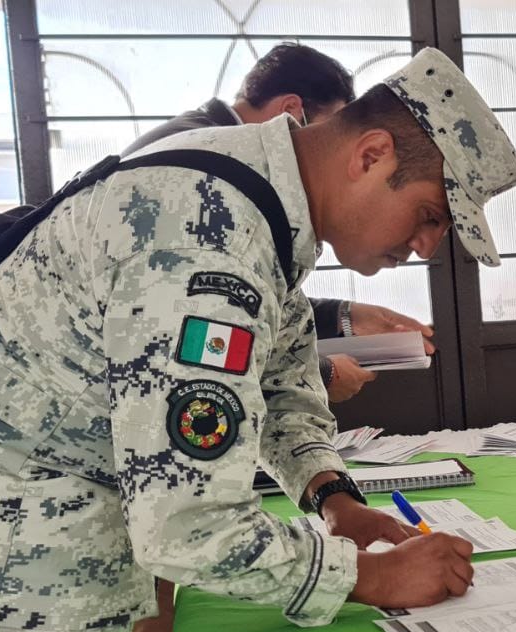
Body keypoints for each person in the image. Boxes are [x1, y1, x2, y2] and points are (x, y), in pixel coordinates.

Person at [0, 48, 516, 632]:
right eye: (429, 215)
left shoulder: (257, 194)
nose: (427, 246)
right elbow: (188, 520)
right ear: (371, 155)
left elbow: (279, 382)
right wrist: (373, 576)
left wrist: (333, 498)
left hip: (51, 538)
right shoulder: (202, 238)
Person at [125, 41, 434, 404]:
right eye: (333, 131)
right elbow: (192, 336)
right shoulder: (209, 175)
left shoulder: (228, 164)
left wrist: (343, 316)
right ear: (292, 111)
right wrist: (320, 372)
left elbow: (243, 300)